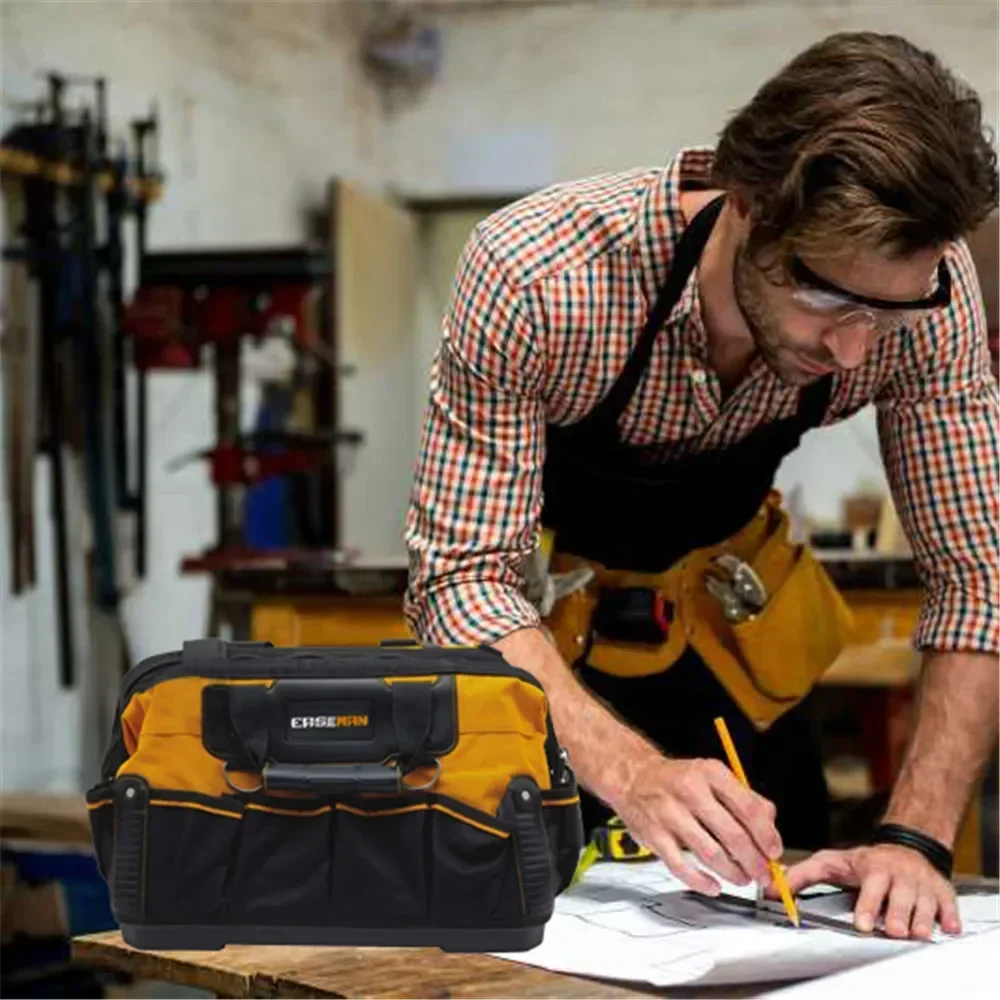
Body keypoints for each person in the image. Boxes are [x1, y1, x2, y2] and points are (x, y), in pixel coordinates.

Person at [404, 32, 999, 941]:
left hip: (734, 639)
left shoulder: (923, 292)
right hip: (547, 656)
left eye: (889, 314)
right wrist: (635, 775)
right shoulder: (541, 278)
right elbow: (460, 581)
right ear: (749, 205)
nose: (856, 350)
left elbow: (981, 577)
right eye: (832, 304)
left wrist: (914, 837)